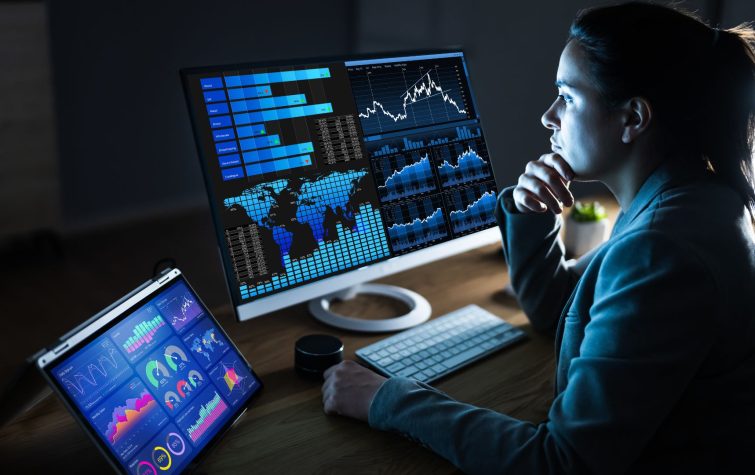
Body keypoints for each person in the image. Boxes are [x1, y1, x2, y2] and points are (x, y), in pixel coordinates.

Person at [321, 2, 755, 473]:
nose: (548, 117)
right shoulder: (696, 199)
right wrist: (530, 215)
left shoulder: (662, 250)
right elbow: (557, 310)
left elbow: (560, 463)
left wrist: (391, 400)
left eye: (567, 98)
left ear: (632, 118)